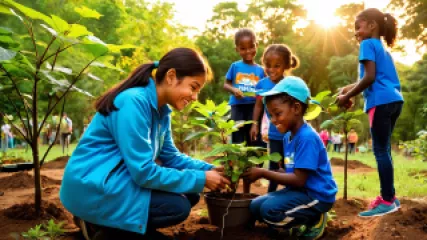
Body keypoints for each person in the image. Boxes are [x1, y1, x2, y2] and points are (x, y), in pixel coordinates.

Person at [60, 48, 230, 239]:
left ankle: (112, 227)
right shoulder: (133, 102)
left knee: (190, 193)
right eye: (193, 87)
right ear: (171, 76)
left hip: (116, 181)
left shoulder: (161, 111)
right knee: (178, 206)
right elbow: (143, 172)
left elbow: (171, 157)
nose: (194, 97)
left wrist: (210, 170)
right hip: (93, 187)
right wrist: (201, 178)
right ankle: (97, 226)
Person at [243, 77, 337, 240]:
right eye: (271, 115)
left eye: (277, 113)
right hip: (300, 191)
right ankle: (295, 220)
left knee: (269, 211)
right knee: (255, 206)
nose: (273, 120)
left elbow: (299, 179)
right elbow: (294, 172)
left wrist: (264, 173)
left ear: (296, 108)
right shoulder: (288, 137)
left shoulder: (307, 138)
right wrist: (280, 171)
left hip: (316, 196)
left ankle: (314, 219)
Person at [337, 8, 403, 217]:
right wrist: (349, 90)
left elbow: (370, 78)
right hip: (394, 100)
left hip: (380, 102)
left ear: (372, 25)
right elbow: (373, 78)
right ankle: (391, 196)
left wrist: (346, 97)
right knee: (385, 150)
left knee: (380, 151)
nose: (356, 33)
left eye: (359, 27)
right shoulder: (382, 49)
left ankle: (386, 200)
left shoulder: (367, 44)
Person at [251, 44, 299, 192]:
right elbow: (258, 105)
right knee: (273, 165)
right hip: (274, 134)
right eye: (268, 65)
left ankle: (290, 193)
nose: (271, 70)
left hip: (290, 134)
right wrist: (255, 125)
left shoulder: (290, 84)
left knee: (289, 165)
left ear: (285, 65)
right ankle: (270, 194)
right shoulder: (261, 84)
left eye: (276, 66)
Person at [223, 28, 266, 193]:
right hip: (238, 108)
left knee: (253, 144)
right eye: (243, 48)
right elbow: (226, 84)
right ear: (237, 50)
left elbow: (262, 94)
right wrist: (234, 90)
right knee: (237, 145)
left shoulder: (261, 70)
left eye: (251, 46)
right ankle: (232, 186)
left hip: (254, 109)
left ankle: (247, 189)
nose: (248, 51)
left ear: (257, 45)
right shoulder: (235, 66)